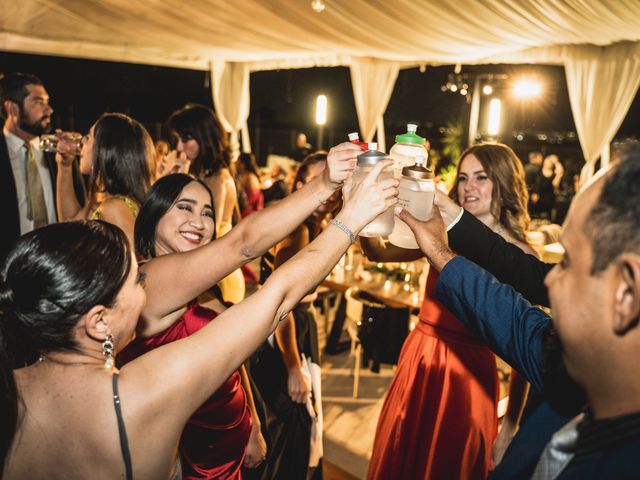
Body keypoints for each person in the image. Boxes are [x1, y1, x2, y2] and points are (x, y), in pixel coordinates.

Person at [0, 142, 398, 478]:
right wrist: (350, 220)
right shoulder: (146, 390)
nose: (143, 286)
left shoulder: (11, 386)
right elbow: (275, 296)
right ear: (99, 320)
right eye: (133, 282)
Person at [398, 142, 640, 479]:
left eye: (567, 263)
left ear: (627, 293)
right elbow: (513, 314)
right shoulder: (574, 368)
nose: (552, 280)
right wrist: (443, 232)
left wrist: (510, 420)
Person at [364, 143, 534, 479]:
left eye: (481, 177)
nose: (468, 187)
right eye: (463, 177)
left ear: (503, 182)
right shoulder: (441, 229)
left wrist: (512, 424)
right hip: (421, 360)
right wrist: (364, 214)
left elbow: (525, 354)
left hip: (468, 378)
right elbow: (378, 254)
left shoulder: (521, 256)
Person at [119, 174, 267, 478]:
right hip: (193, 454)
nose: (199, 223)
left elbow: (232, 353)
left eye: (207, 212)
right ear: (154, 215)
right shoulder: (149, 278)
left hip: (228, 445)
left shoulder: (204, 286)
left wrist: (253, 423)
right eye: (185, 208)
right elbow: (244, 244)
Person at [249, 152, 342, 480]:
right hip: (284, 334)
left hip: (290, 331)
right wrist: (293, 368)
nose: (329, 194)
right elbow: (280, 300)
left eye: (335, 185)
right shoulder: (300, 230)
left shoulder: (310, 225)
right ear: (301, 184)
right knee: (289, 429)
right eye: (320, 181)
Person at [0, 72, 83, 261]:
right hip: (9, 266)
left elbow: (78, 208)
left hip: (57, 261)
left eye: (47, 101)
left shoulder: (60, 151)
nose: (49, 110)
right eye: (38, 102)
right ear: (12, 108)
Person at [168, 103, 245, 303]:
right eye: (177, 140)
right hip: (206, 271)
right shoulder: (201, 175)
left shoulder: (218, 180)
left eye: (186, 139)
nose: (179, 148)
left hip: (219, 278)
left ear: (205, 137)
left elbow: (207, 237)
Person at [55, 112, 154, 247]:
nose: (82, 141)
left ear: (105, 150)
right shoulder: (113, 202)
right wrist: (65, 166)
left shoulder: (115, 207)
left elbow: (133, 264)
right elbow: (70, 223)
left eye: (88, 137)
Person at [535, 154, 564, 221]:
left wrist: (556, 162)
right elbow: (536, 184)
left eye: (550, 162)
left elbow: (556, 182)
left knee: (549, 217)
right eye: (546, 162)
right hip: (540, 198)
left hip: (550, 198)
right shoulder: (539, 171)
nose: (547, 164)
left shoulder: (554, 174)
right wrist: (535, 193)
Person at [236, 152, 264, 218]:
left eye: (238, 162)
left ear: (243, 165)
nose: (236, 164)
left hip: (247, 215)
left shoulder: (247, 178)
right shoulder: (251, 176)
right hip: (253, 213)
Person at [525, 151, 543, 216]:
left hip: (525, 191)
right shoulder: (537, 169)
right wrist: (535, 193)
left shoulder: (525, 167)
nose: (541, 160)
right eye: (540, 158)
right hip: (532, 192)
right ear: (534, 158)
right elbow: (538, 182)